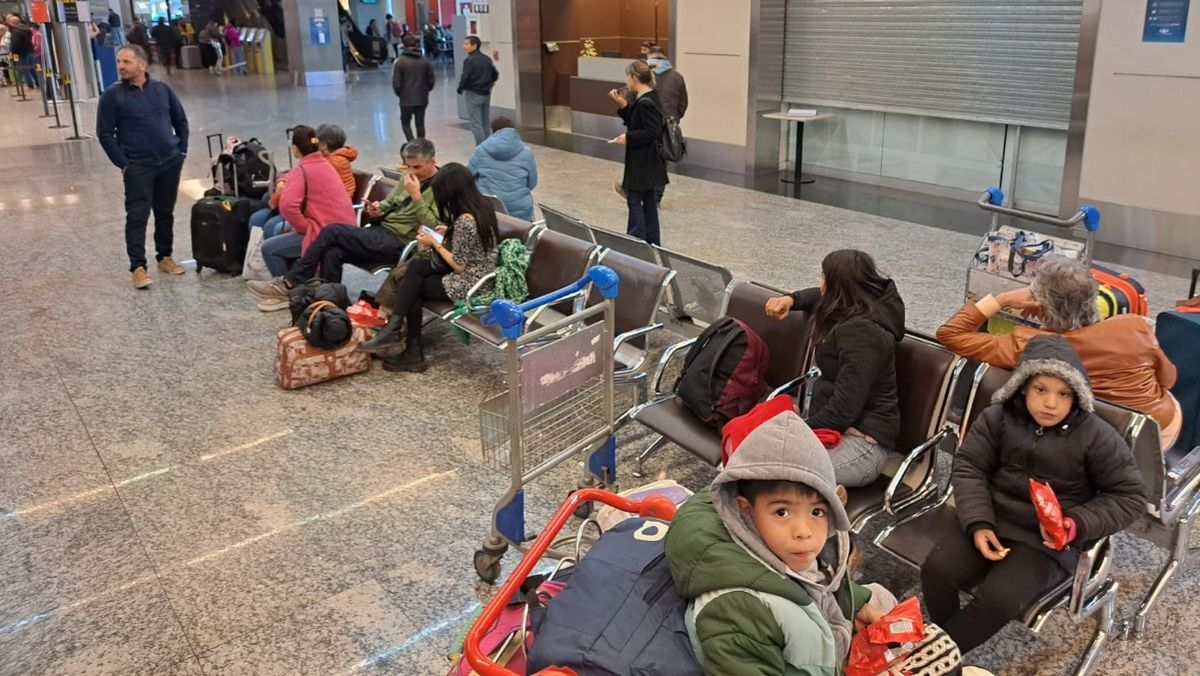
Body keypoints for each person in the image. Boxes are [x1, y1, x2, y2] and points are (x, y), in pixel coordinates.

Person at [921, 334, 1144, 655]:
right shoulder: (997, 418)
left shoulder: (1096, 436)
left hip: (1049, 542)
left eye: (1063, 394)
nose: (1051, 403)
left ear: (1076, 395)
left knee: (1000, 598)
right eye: (1041, 390)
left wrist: (1075, 524)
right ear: (1023, 386)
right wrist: (978, 521)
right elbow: (970, 466)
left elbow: (1130, 497)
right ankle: (946, 650)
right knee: (937, 570)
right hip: (993, 517)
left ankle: (933, 656)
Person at [664, 403, 896, 673]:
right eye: (782, 512)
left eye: (817, 511)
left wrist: (855, 604)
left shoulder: (780, 547)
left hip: (816, 645)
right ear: (746, 511)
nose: (804, 531)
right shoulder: (737, 610)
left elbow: (815, 581)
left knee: (882, 599)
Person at [937, 256, 1181, 450]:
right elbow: (1169, 380)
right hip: (1156, 430)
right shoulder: (1134, 326)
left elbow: (950, 334)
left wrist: (1001, 299)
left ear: (1039, 302)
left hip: (1084, 440)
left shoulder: (1029, 345)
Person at [764, 250, 905, 487]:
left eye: (824, 277)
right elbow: (816, 296)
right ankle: (828, 495)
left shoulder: (863, 334)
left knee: (771, 474)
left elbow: (844, 408)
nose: (821, 283)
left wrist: (799, 431)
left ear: (838, 286)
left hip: (861, 446)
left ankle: (827, 499)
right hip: (836, 429)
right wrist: (792, 299)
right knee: (762, 453)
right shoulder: (857, 304)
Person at [250, 138, 439, 306]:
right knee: (333, 252)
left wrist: (416, 197)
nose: (412, 172)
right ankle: (329, 302)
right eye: (408, 166)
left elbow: (435, 226)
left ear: (432, 161)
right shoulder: (409, 178)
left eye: (418, 167)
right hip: (379, 232)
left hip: (399, 242)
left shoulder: (441, 187)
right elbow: (391, 202)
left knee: (332, 231)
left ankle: (292, 280)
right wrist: (377, 208)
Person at [371, 163, 499, 373]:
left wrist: (435, 243)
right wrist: (448, 232)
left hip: (471, 284)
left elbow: (459, 266)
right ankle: (402, 338)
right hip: (480, 275)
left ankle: (405, 341)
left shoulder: (466, 220)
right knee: (416, 272)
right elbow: (471, 244)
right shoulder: (482, 206)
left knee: (411, 284)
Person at [95, 45, 189, 288]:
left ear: (142, 64)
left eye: (126, 62)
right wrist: (123, 163)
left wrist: (182, 150)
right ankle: (138, 266)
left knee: (165, 211)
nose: (121, 67)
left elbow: (180, 120)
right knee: (137, 215)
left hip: (169, 161)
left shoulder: (162, 90)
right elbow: (105, 133)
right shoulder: (112, 96)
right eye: (119, 62)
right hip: (137, 166)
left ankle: (165, 256)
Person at [246, 126, 356, 311]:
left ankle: (290, 293)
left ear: (294, 149)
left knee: (270, 248)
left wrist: (305, 227)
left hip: (325, 232)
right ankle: (295, 285)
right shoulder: (324, 164)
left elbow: (287, 206)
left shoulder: (303, 169)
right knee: (279, 229)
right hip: (344, 228)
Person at [608, 60, 666, 245]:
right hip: (647, 161)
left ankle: (635, 240)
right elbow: (637, 121)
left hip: (642, 161)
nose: (625, 80)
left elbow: (652, 131)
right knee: (647, 201)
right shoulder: (647, 97)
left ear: (634, 77)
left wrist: (629, 137)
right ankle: (652, 241)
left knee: (634, 200)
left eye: (627, 76)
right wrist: (623, 104)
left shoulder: (646, 101)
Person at [467, 117, 537, 221]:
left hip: (490, 209)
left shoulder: (480, 150)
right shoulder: (526, 152)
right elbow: (532, 183)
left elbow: (468, 177)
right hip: (521, 213)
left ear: (493, 131)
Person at [646, 46, 686, 205]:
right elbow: (683, 102)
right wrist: (675, 118)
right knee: (662, 160)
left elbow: (632, 97)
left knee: (643, 157)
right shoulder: (677, 77)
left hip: (647, 122)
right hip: (667, 124)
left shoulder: (645, 76)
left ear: (650, 57)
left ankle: (638, 192)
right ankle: (657, 197)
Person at [392, 34, 435, 142]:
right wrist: (425, 90)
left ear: (403, 45)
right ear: (417, 45)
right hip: (422, 97)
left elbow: (396, 83)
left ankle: (411, 143)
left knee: (405, 122)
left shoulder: (399, 62)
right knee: (420, 123)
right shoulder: (425, 61)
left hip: (406, 99)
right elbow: (431, 81)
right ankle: (421, 145)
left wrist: (400, 93)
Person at [457, 35, 498, 145]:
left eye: (466, 44)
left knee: (476, 123)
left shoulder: (469, 60)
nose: (463, 46)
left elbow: (465, 76)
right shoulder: (487, 59)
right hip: (486, 93)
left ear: (474, 46)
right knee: (485, 120)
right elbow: (495, 74)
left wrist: (460, 88)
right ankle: (488, 144)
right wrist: (490, 84)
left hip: (473, 93)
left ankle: (481, 147)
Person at [316, 123, 358, 199]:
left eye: (316, 141)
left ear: (324, 145)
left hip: (337, 205)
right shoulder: (336, 158)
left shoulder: (334, 162)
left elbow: (308, 174)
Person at [5, 15, 36, 89]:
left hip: (21, 53)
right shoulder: (26, 28)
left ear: (13, 23)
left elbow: (15, 44)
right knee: (33, 69)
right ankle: (38, 83)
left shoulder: (15, 31)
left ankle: (30, 85)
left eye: (10, 22)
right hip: (30, 51)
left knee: (25, 70)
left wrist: (12, 52)